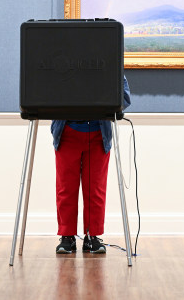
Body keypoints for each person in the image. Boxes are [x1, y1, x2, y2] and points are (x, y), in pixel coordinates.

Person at [50, 76, 131, 254]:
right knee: (66, 188)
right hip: (67, 132)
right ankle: (67, 236)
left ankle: (92, 236)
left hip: (98, 134)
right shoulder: (61, 59)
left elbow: (124, 97)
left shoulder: (108, 59)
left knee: (95, 189)